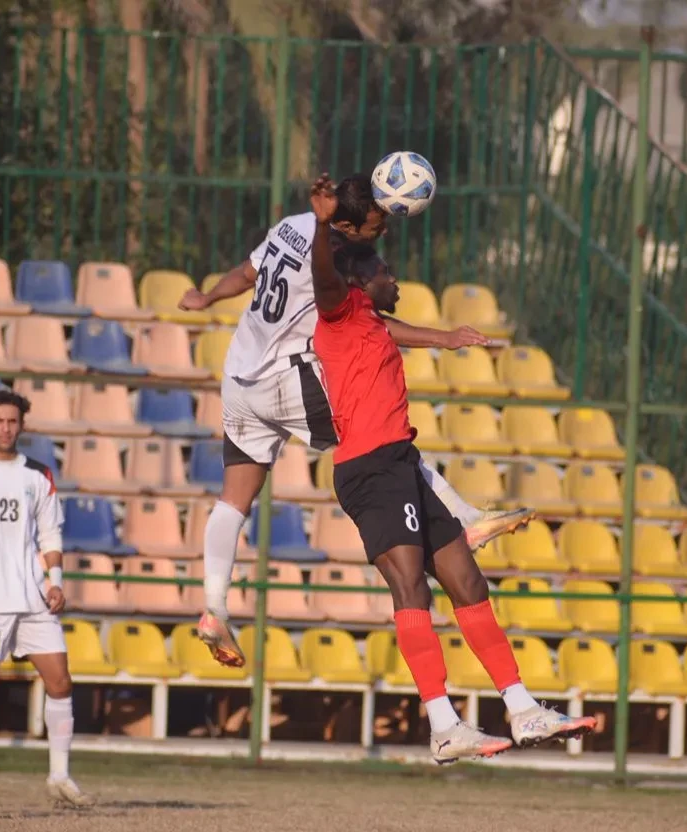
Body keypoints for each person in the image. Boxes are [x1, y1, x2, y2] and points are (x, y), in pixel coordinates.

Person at [177, 173, 533, 668]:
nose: (383, 231)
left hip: (239, 377)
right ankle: (466, 519)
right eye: (375, 225)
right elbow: (372, 323)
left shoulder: (291, 225)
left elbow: (245, 273)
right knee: (379, 434)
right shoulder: (336, 257)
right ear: (346, 226)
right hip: (288, 380)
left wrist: (207, 298)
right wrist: (443, 338)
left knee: (233, 499)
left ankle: (214, 607)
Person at [306, 176, 596, 763]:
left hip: (402, 464)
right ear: (360, 282)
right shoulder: (338, 310)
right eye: (385, 271)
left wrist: (447, 339)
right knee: (410, 585)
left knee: (468, 581)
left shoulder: (368, 318)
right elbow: (325, 279)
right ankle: (443, 725)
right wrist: (320, 223)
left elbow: (395, 331)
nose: (394, 279)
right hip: (370, 469)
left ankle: (523, 709)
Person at [0, 390, 93, 808]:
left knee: (60, 681)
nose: (5, 428)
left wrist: (55, 582)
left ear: (22, 425)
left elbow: (51, 535)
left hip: (33, 596)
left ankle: (59, 775)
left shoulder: (38, 474)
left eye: (12, 421)